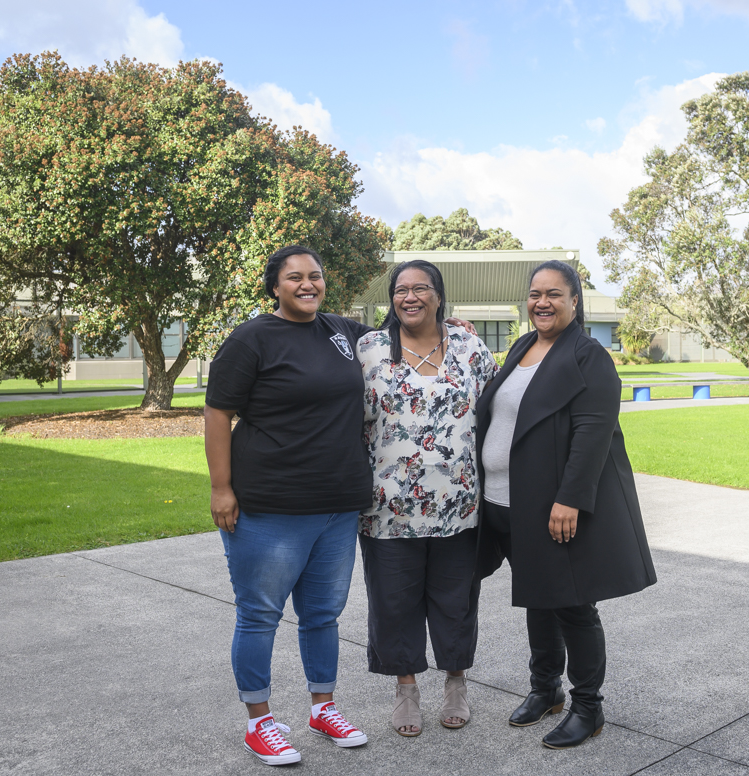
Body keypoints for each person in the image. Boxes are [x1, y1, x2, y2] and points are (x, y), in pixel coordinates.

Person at [475, 259, 657, 750]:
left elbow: (592, 432)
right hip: (504, 502)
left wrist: (569, 499)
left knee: (574, 606)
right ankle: (545, 689)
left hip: (550, 507)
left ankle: (588, 707)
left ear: (575, 301)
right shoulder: (522, 347)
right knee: (538, 596)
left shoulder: (587, 355)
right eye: (535, 294)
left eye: (555, 294)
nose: (542, 302)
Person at [203, 245, 373, 766]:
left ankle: (323, 708)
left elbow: (406, 335)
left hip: (337, 508)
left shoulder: (343, 333)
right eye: (294, 277)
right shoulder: (252, 339)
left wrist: (451, 326)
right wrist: (221, 487)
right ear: (274, 286)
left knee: (322, 615)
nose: (307, 284)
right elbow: (216, 414)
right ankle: (260, 722)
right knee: (259, 615)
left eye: (315, 276)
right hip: (270, 509)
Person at [356, 260, 498, 737]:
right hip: (387, 509)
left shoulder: (469, 346)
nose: (409, 297)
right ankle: (406, 690)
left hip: (460, 507)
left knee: (456, 602)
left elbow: (500, 409)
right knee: (394, 604)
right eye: (401, 290)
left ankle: (456, 684)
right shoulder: (369, 349)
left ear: (439, 295)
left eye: (421, 288)